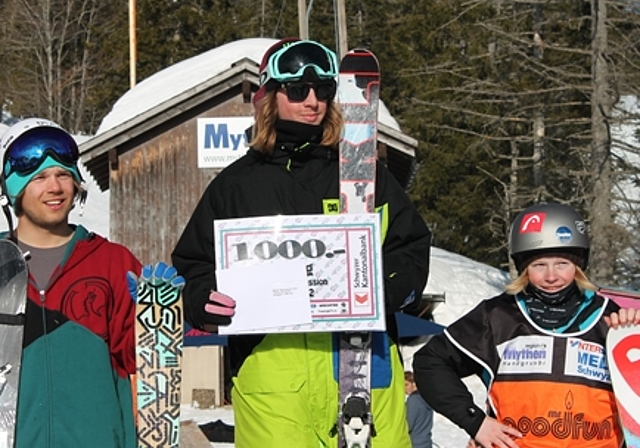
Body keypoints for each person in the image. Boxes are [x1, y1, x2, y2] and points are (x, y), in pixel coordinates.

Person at [172, 38, 432, 447]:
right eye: (297, 91)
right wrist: (203, 300)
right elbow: (193, 264)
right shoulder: (238, 185)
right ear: (270, 97)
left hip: (364, 368)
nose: (313, 101)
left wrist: (386, 290)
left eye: (324, 91)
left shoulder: (364, 176)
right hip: (275, 376)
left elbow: (410, 247)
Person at [413, 202, 640, 448]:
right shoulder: (499, 316)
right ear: (523, 267)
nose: (551, 276)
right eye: (539, 265)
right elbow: (430, 362)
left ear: (578, 265)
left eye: (562, 263)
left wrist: (632, 337)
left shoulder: (610, 320)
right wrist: (475, 422)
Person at [0, 118, 149, 448]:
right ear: (14, 189)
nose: (55, 187)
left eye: (64, 175)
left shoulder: (113, 263)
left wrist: (159, 312)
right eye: (39, 177)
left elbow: (144, 361)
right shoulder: (0, 267)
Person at [404, 371, 434, 448]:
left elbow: (408, 424)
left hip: (415, 443)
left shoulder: (413, 400)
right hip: (426, 442)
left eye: (406, 385)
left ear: (414, 384)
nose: (404, 388)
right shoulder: (427, 398)